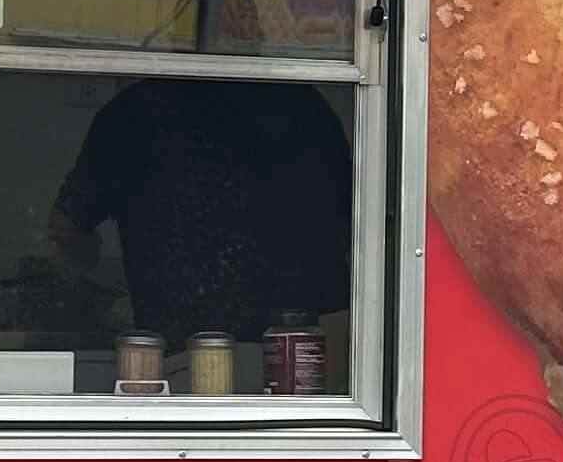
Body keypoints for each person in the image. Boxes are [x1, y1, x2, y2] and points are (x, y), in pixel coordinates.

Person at [50, 77, 351, 346]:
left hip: (185, 353)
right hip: (301, 353)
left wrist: (90, 264)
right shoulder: (304, 105)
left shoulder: (133, 113)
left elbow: (67, 227)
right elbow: (357, 219)